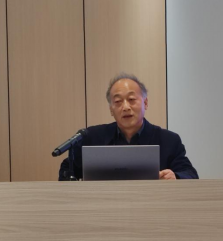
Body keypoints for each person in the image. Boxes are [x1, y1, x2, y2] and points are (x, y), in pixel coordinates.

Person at [58, 73, 198, 181]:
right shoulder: (92, 137)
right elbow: (67, 169)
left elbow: (190, 174)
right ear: (111, 109)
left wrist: (175, 176)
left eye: (131, 100)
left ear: (145, 103)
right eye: (118, 101)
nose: (125, 107)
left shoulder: (169, 140)